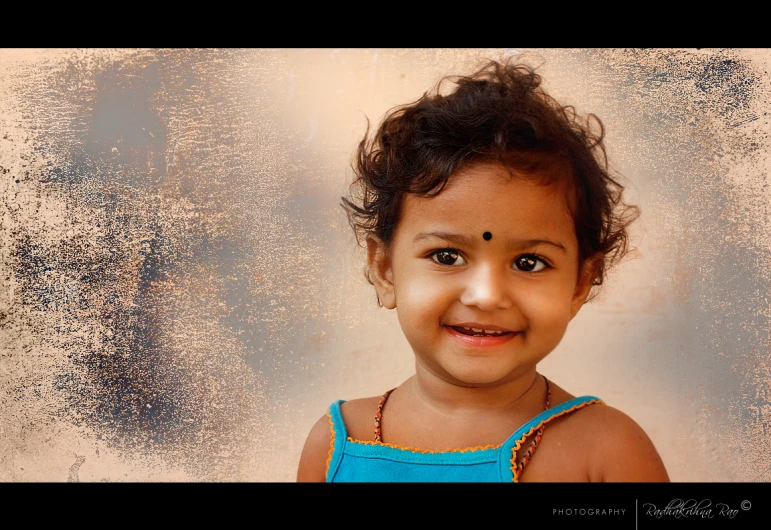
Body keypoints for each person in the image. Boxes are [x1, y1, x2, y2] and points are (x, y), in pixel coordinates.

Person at [296, 57, 669, 482]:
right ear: (384, 271)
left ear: (580, 283)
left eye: (529, 262)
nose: (486, 294)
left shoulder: (608, 451)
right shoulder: (334, 446)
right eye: (447, 256)